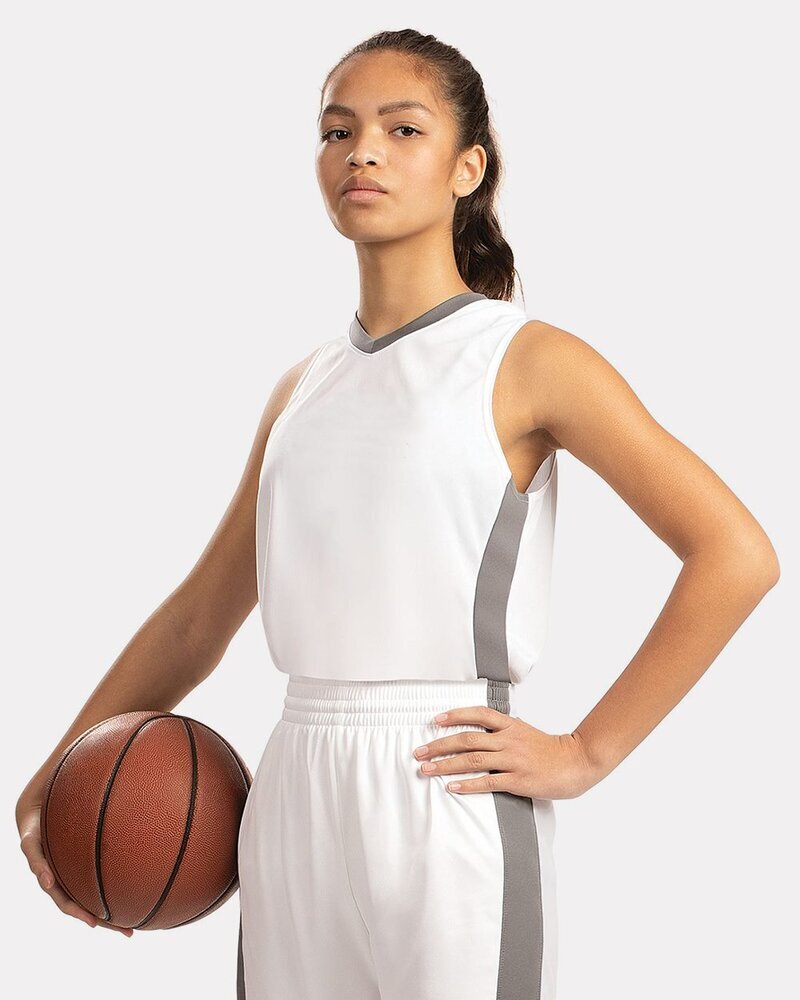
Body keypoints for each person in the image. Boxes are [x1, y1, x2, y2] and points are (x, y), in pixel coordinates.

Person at [18, 27, 780, 1000]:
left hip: (448, 781)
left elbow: (734, 552)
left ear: (469, 167)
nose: (362, 152)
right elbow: (197, 620)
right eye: (337, 131)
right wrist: (58, 770)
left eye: (401, 128)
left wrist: (586, 751)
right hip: (292, 787)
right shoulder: (302, 388)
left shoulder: (527, 360)